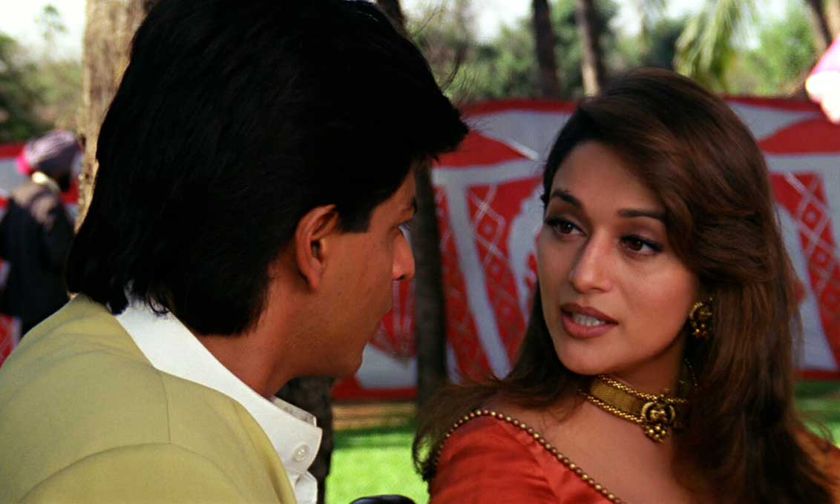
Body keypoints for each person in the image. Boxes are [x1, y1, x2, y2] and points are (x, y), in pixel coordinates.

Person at [0, 0, 467, 502]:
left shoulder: (77, 359)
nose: (404, 265)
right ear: (316, 244)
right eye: (396, 227)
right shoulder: (165, 468)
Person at [414, 69, 838, 503]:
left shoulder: (801, 464)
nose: (583, 274)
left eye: (637, 242)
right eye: (565, 225)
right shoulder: (498, 461)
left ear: (712, 274)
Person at [0, 130, 80, 335]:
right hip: (47, 310)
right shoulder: (50, 205)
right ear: (59, 170)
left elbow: (5, 248)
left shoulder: (19, 197)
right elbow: (62, 256)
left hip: (19, 304)